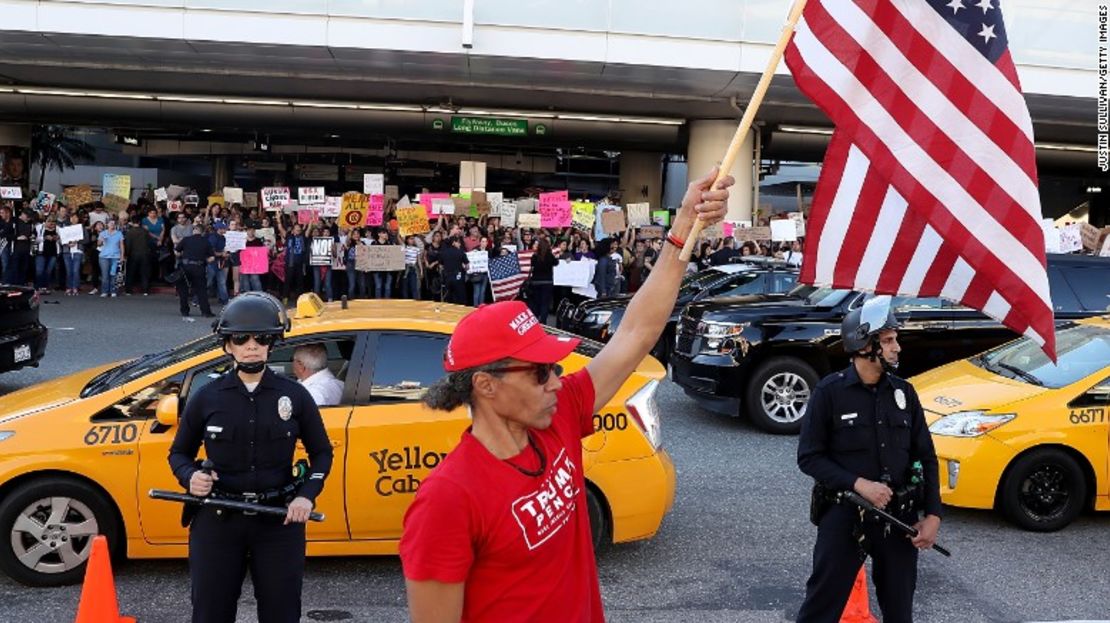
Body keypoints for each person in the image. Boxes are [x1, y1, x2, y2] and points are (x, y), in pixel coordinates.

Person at [399, 167, 732, 623]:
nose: (557, 380)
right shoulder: (448, 500)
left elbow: (636, 332)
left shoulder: (558, 417)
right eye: (540, 372)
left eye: (554, 367)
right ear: (486, 385)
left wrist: (681, 231)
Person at [168, 293, 333, 623]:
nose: (251, 345)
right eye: (240, 338)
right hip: (217, 519)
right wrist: (190, 477)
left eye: (261, 338)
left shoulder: (294, 395)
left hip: (278, 521)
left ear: (273, 343)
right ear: (228, 345)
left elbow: (322, 453)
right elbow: (179, 454)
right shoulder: (207, 396)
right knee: (211, 612)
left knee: (281, 612)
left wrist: (306, 496)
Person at [795, 296, 942, 623]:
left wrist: (933, 515)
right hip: (845, 516)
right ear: (863, 344)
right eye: (888, 340)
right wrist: (859, 484)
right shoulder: (829, 393)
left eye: (895, 339)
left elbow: (926, 457)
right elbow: (809, 457)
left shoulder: (904, 393)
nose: (897, 347)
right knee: (820, 608)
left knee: (900, 611)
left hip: (899, 520)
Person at [175, 224, 215, 320]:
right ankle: (205, 312)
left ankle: (185, 311)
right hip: (199, 267)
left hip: (185, 267)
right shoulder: (206, 242)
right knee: (201, 290)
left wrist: (181, 256)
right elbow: (212, 258)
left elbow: (176, 251)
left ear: (194, 230)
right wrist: (205, 261)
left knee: (183, 290)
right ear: (202, 232)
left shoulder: (186, 239)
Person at [526, 238, 556, 321]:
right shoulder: (549, 256)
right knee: (545, 303)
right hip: (547, 282)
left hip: (536, 282)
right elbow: (556, 263)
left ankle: (535, 319)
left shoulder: (535, 256)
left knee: (536, 302)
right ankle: (543, 321)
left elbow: (532, 266)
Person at [124, 216, 153, 295]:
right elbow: (150, 243)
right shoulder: (145, 231)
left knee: (130, 273)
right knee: (144, 272)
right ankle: (145, 290)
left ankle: (128, 290)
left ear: (132, 223)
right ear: (140, 222)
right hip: (145, 254)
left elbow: (128, 244)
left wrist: (126, 254)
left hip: (133, 255)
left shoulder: (129, 232)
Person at [96, 219, 125, 298]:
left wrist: (122, 256)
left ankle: (113, 291)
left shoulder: (119, 233)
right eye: (110, 223)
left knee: (113, 274)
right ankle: (105, 291)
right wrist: (101, 240)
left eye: (113, 223)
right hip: (104, 257)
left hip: (115, 257)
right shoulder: (103, 233)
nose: (112, 224)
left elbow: (121, 245)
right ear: (107, 224)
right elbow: (98, 244)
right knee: (105, 275)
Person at [439, 235, 468, 305]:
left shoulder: (444, 252)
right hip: (458, 277)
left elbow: (440, 265)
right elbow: (467, 265)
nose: (460, 244)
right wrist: (464, 269)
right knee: (460, 297)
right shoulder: (461, 252)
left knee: (449, 297)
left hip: (447, 277)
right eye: (458, 242)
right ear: (453, 243)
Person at [61, 213, 85, 295]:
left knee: (75, 270)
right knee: (68, 270)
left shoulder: (82, 228)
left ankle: (75, 287)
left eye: (75, 217)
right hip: (67, 251)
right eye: (72, 217)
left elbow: (87, 239)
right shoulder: (65, 228)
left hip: (78, 251)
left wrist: (77, 241)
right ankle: (68, 287)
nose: (74, 219)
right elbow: (62, 239)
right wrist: (67, 244)